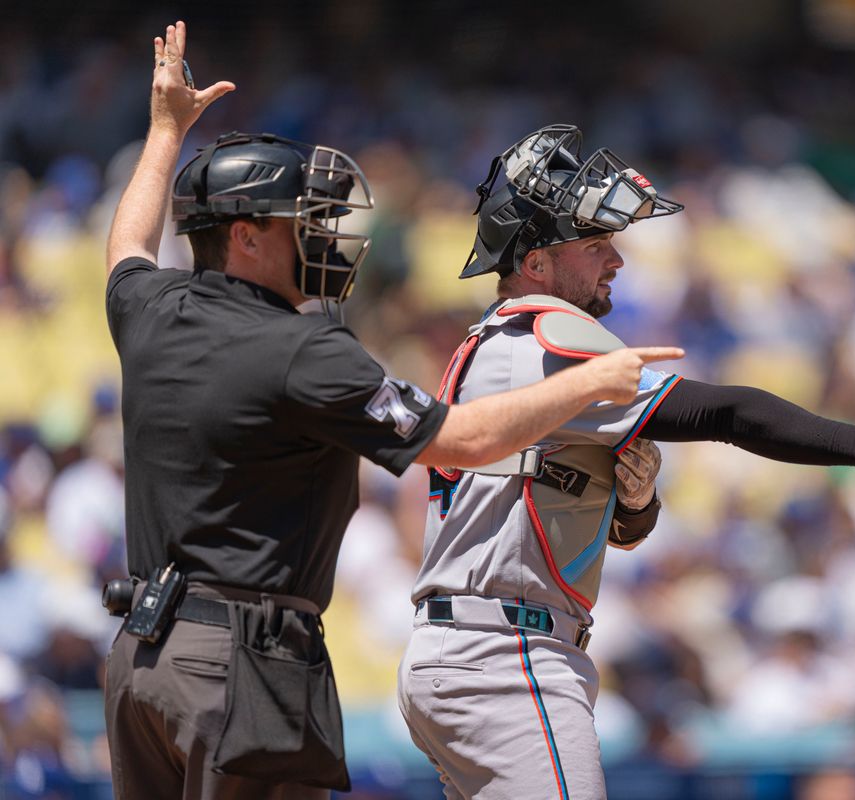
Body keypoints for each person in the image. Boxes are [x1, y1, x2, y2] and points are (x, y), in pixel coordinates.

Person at [102, 26, 681, 800]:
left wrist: (165, 131)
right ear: (244, 236)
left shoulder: (151, 307)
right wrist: (590, 381)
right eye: (297, 222)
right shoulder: (302, 349)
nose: (322, 234)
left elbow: (128, 244)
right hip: (238, 665)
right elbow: (464, 439)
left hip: (142, 661)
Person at [397, 124, 855, 799]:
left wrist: (637, 503)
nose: (615, 261)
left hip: (466, 648)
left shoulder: (496, 346)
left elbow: (611, 527)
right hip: (505, 656)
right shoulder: (547, 334)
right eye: (594, 245)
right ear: (537, 263)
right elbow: (726, 413)